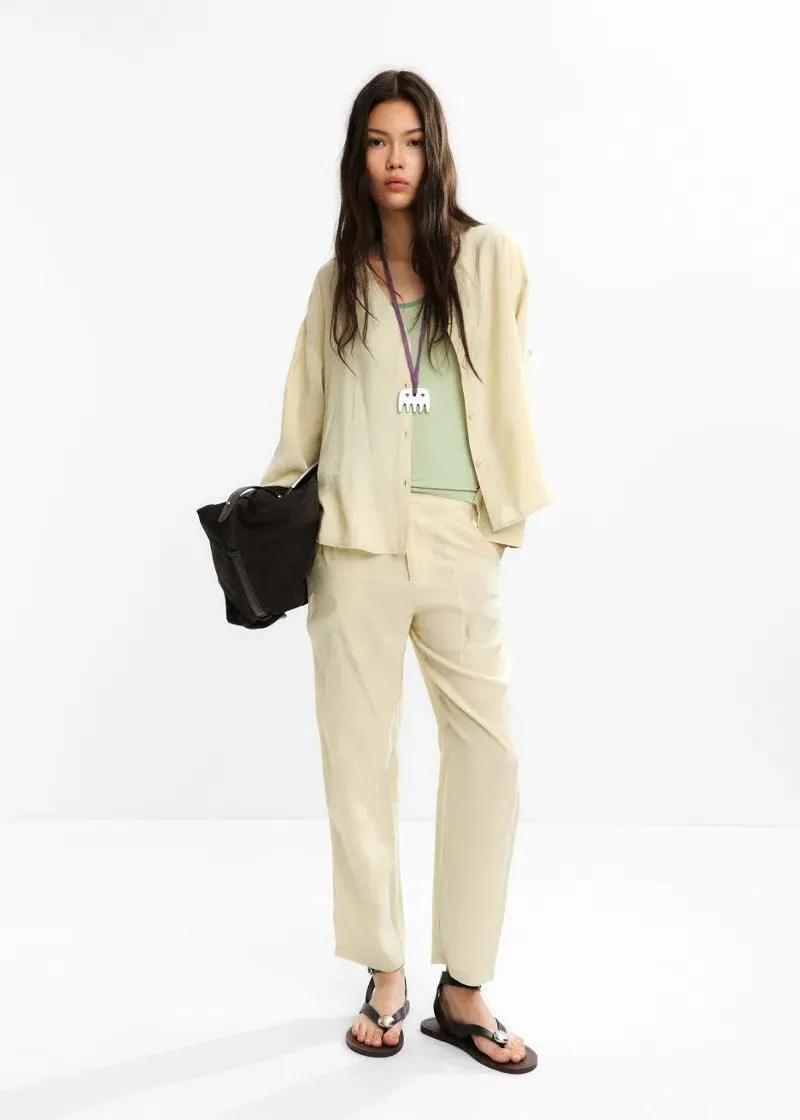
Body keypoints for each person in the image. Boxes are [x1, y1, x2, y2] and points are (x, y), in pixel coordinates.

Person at [260, 69, 550, 1074]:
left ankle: (462, 986)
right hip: (354, 543)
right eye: (379, 141)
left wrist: (499, 516)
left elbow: (508, 387)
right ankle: (384, 971)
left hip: (459, 536)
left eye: (413, 140)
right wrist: (270, 517)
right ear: (358, 157)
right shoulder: (335, 283)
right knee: (358, 761)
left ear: (435, 151)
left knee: (489, 756)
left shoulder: (488, 258)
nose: (396, 159)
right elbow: (302, 417)